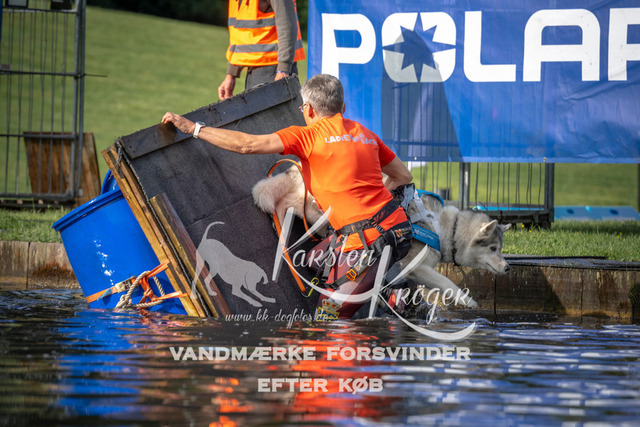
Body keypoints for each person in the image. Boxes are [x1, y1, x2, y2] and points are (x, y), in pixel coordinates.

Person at [162, 74, 413, 319]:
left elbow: (247, 145)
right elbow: (403, 176)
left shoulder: (308, 136)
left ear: (308, 110)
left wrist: (194, 128)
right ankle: (383, 288)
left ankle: (389, 295)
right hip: (395, 228)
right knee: (315, 260)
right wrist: (372, 209)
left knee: (327, 319)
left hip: (368, 241)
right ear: (343, 107)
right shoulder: (365, 134)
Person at [218, 0, 306, 100]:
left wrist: (283, 69)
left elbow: (287, 25)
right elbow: (240, 33)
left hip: (274, 68)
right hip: (255, 69)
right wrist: (231, 73)